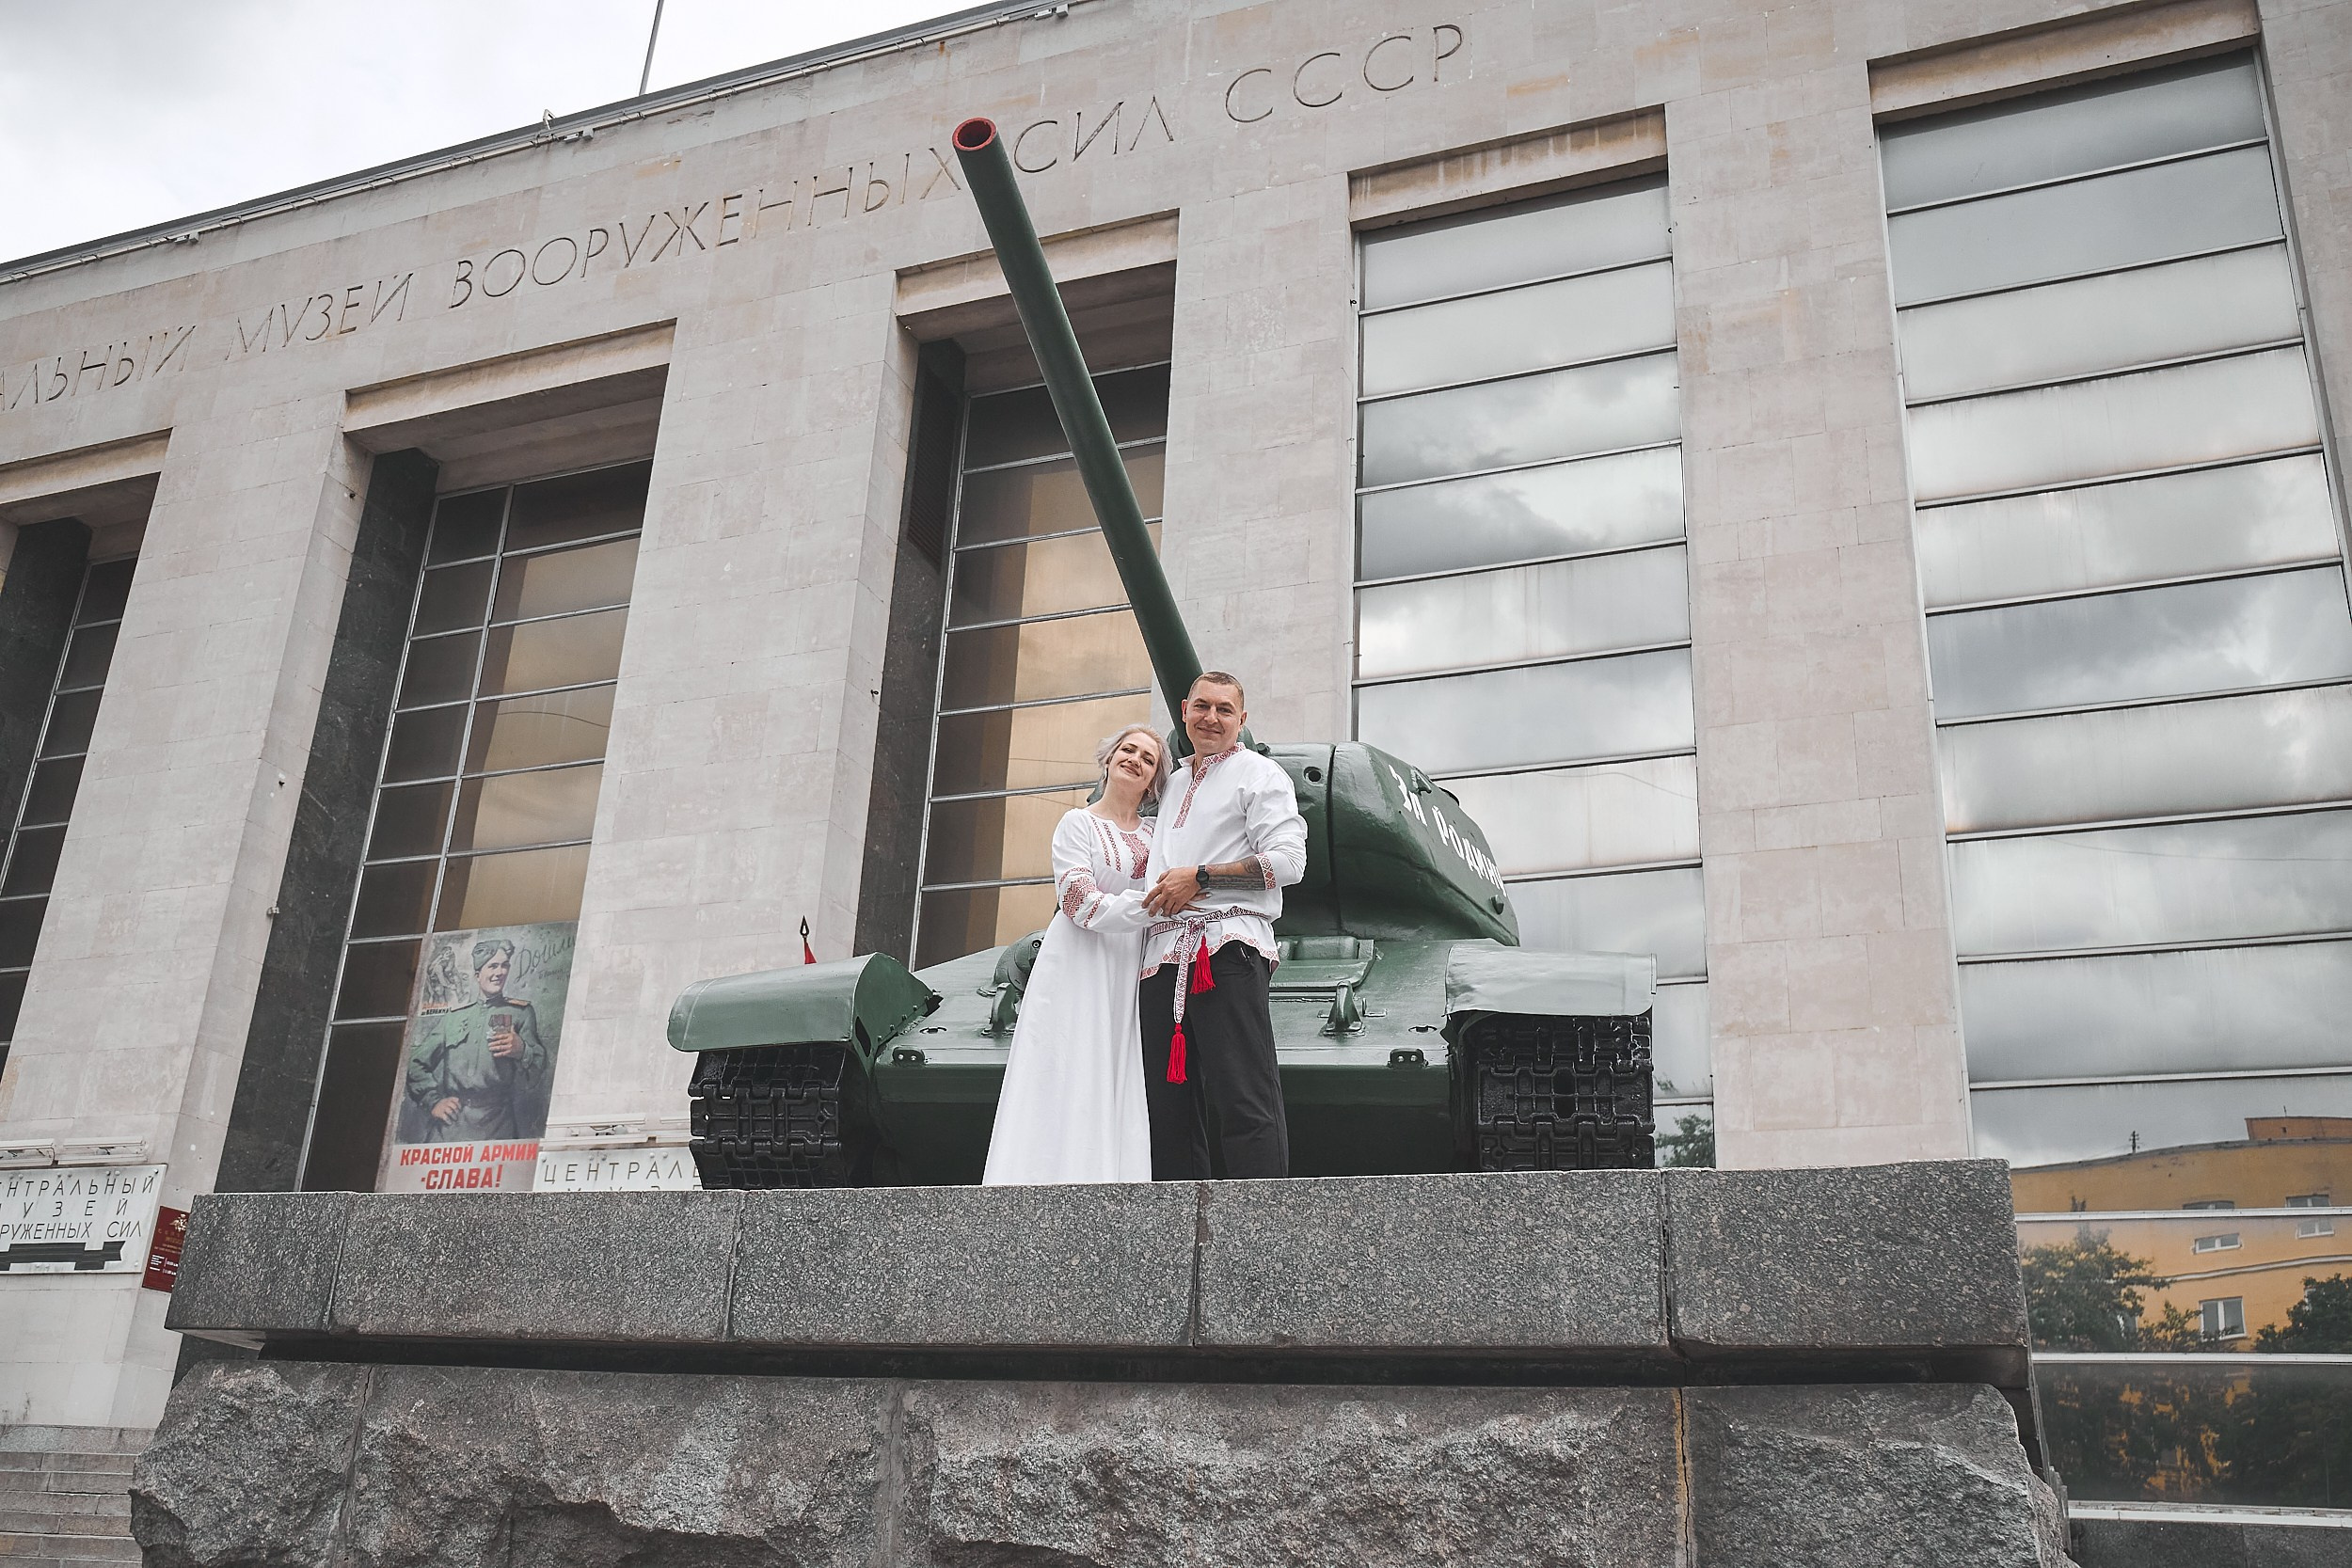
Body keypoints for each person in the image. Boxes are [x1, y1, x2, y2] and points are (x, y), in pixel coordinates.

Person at [980, 723, 1168, 1184]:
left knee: (1115, 1068)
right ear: (1108, 761)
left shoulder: (1157, 838)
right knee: (1065, 1058)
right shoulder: (1077, 824)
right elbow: (1079, 902)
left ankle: (1108, 1176)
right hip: (1077, 961)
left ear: (1153, 780)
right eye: (1128, 750)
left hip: (1127, 966)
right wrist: (1153, 907)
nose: (1135, 760)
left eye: (1148, 759)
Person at [1137, 673, 1308, 1180]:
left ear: (1242, 719)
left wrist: (1202, 877)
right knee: (1166, 1107)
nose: (1212, 718)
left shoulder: (1261, 775)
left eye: (1225, 710)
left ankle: (1260, 1225)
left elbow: (1289, 862)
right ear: (1185, 711)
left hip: (1225, 950)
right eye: (1202, 707)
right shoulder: (1171, 783)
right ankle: (1176, 1228)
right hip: (1160, 959)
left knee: (1242, 1095)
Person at [403, 939, 548, 1142]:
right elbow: (415, 1063)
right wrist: (433, 1101)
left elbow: (536, 1074)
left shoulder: (521, 1013)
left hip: (497, 1124)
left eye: (504, 965)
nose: (500, 972)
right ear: (478, 975)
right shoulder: (454, 1017)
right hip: (450, 1125)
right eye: (493, 966)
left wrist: (522, 1050)